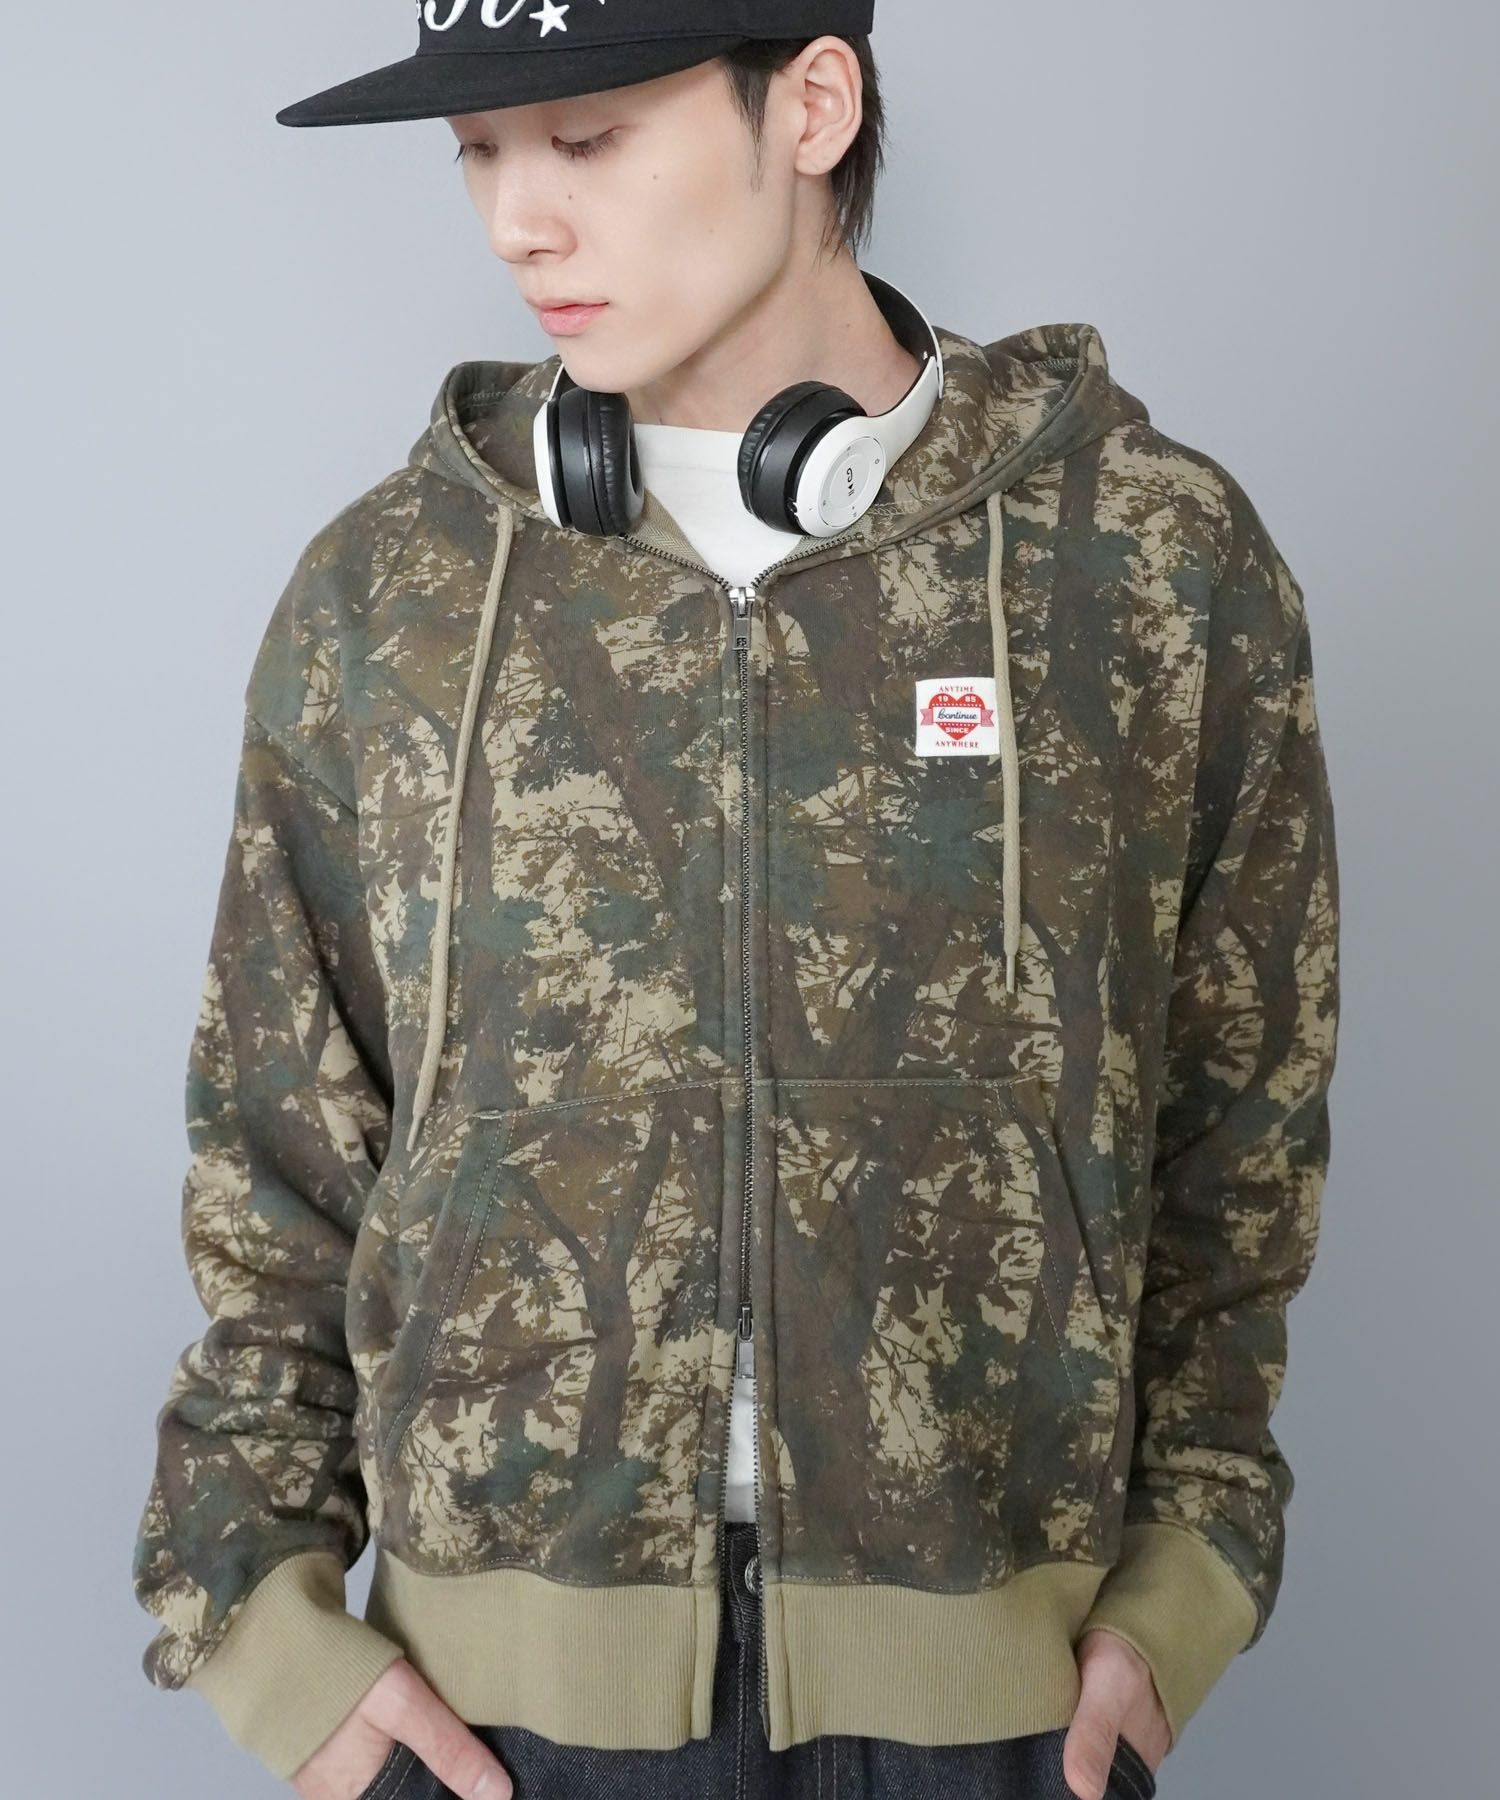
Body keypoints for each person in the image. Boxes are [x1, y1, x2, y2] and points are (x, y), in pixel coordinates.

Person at [129, 5, 1341, 1799]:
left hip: (999, 1712)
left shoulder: (1150, 563)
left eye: (587, 139)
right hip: (497, 1721)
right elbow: (275, 1163)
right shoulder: (386, 597)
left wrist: (1190, 1586)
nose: (516, 220)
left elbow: (1243, 1137)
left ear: (814, 105)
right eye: (479, 152)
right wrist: (270, 1646)